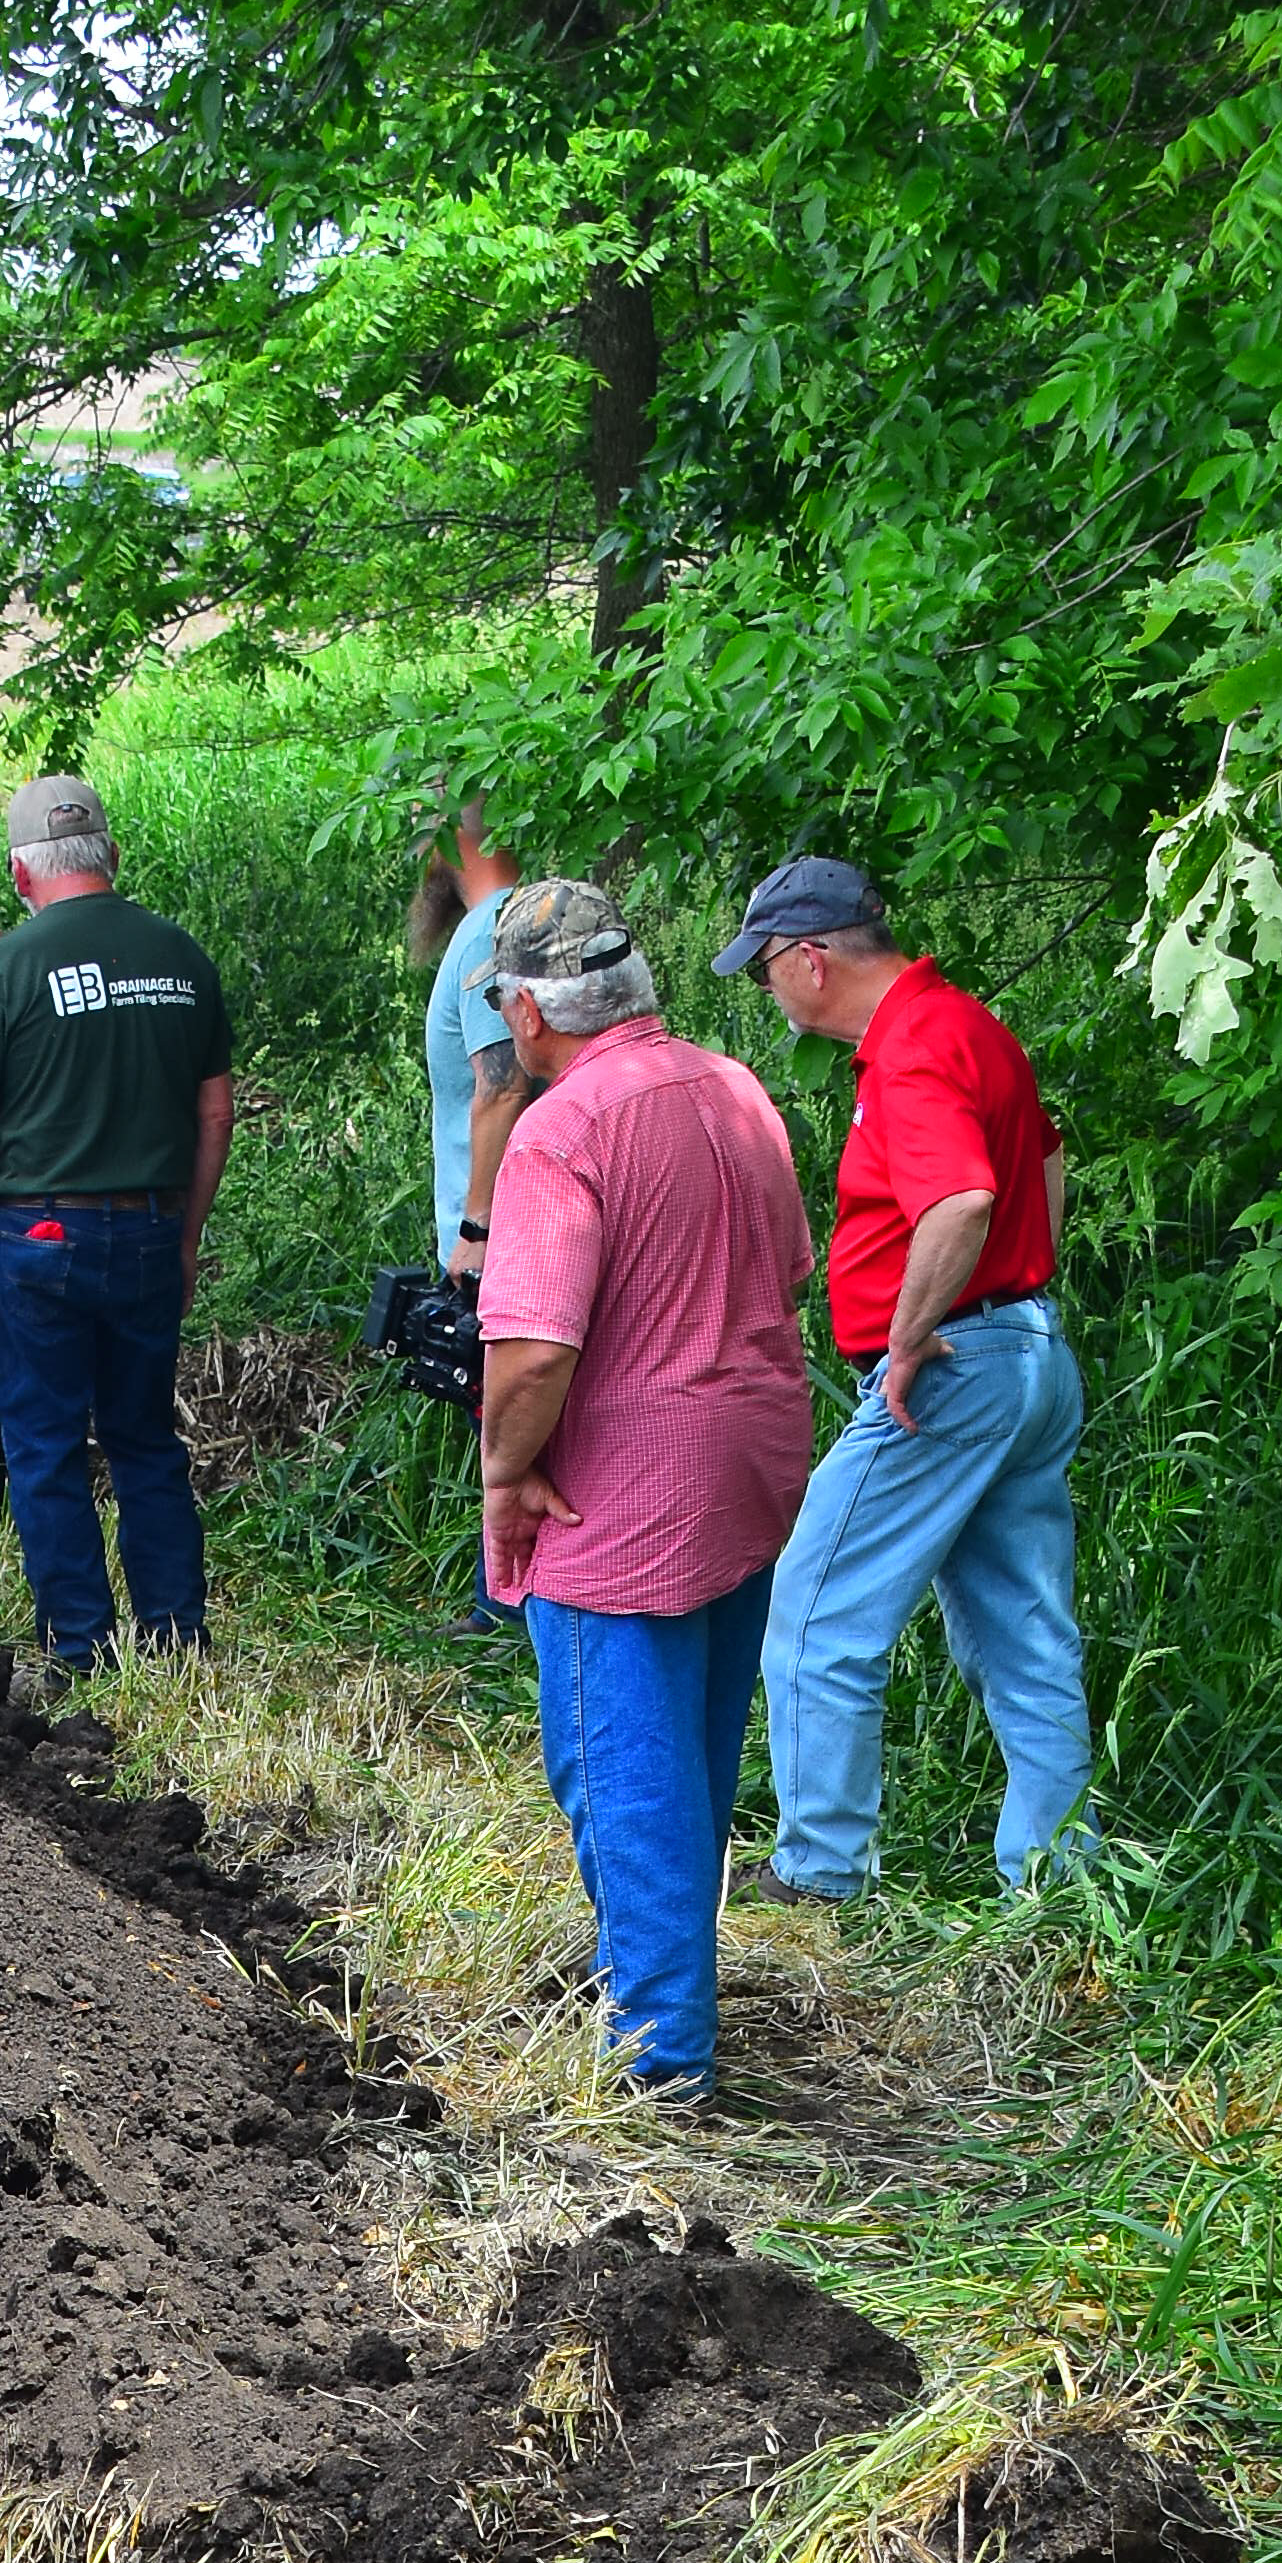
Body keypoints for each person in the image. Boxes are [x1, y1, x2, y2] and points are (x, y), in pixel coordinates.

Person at [470, 877, 817, 2107]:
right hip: (755, 1457)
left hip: (630, 1487)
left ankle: (658, 2058)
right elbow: (789, 1268)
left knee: (620, 1765)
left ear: (525, 1011)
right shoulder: (733, 1088)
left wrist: (506, 1476)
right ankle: (666, 1965)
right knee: (696, 1746)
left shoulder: (559, 1132)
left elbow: (532, 1351)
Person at [714, 847, 1087, 1905]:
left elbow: (962, 1202)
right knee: (1024, 1629)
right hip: (1022, 1351)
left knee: (818, 1608)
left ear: (811, 957)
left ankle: (819, 1876)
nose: (763, 986)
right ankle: (1059, 1887)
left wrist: (919, 1334)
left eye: (763, 966)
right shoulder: (966, 1023)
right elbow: (1046, 1165)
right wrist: (1023, 1303)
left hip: (953, 1370)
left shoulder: (914, 1047)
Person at [0, 776, 236, 1683]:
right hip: (148, 1228)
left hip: (44, 1241)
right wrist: (183, 1237)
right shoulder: (180, 956)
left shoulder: (6, 968)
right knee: (145, 1436)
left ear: (22, 872)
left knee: (44, 1441)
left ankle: (80, 1647)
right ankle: (177, 1638)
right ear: (108, 853)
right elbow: (215, 1115)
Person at [413, 800, 525, 1281]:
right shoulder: (521, 917)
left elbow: (504, 1089)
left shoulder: (490, 933)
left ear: (448, 832)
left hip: (500, 1251)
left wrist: (477, 1232)